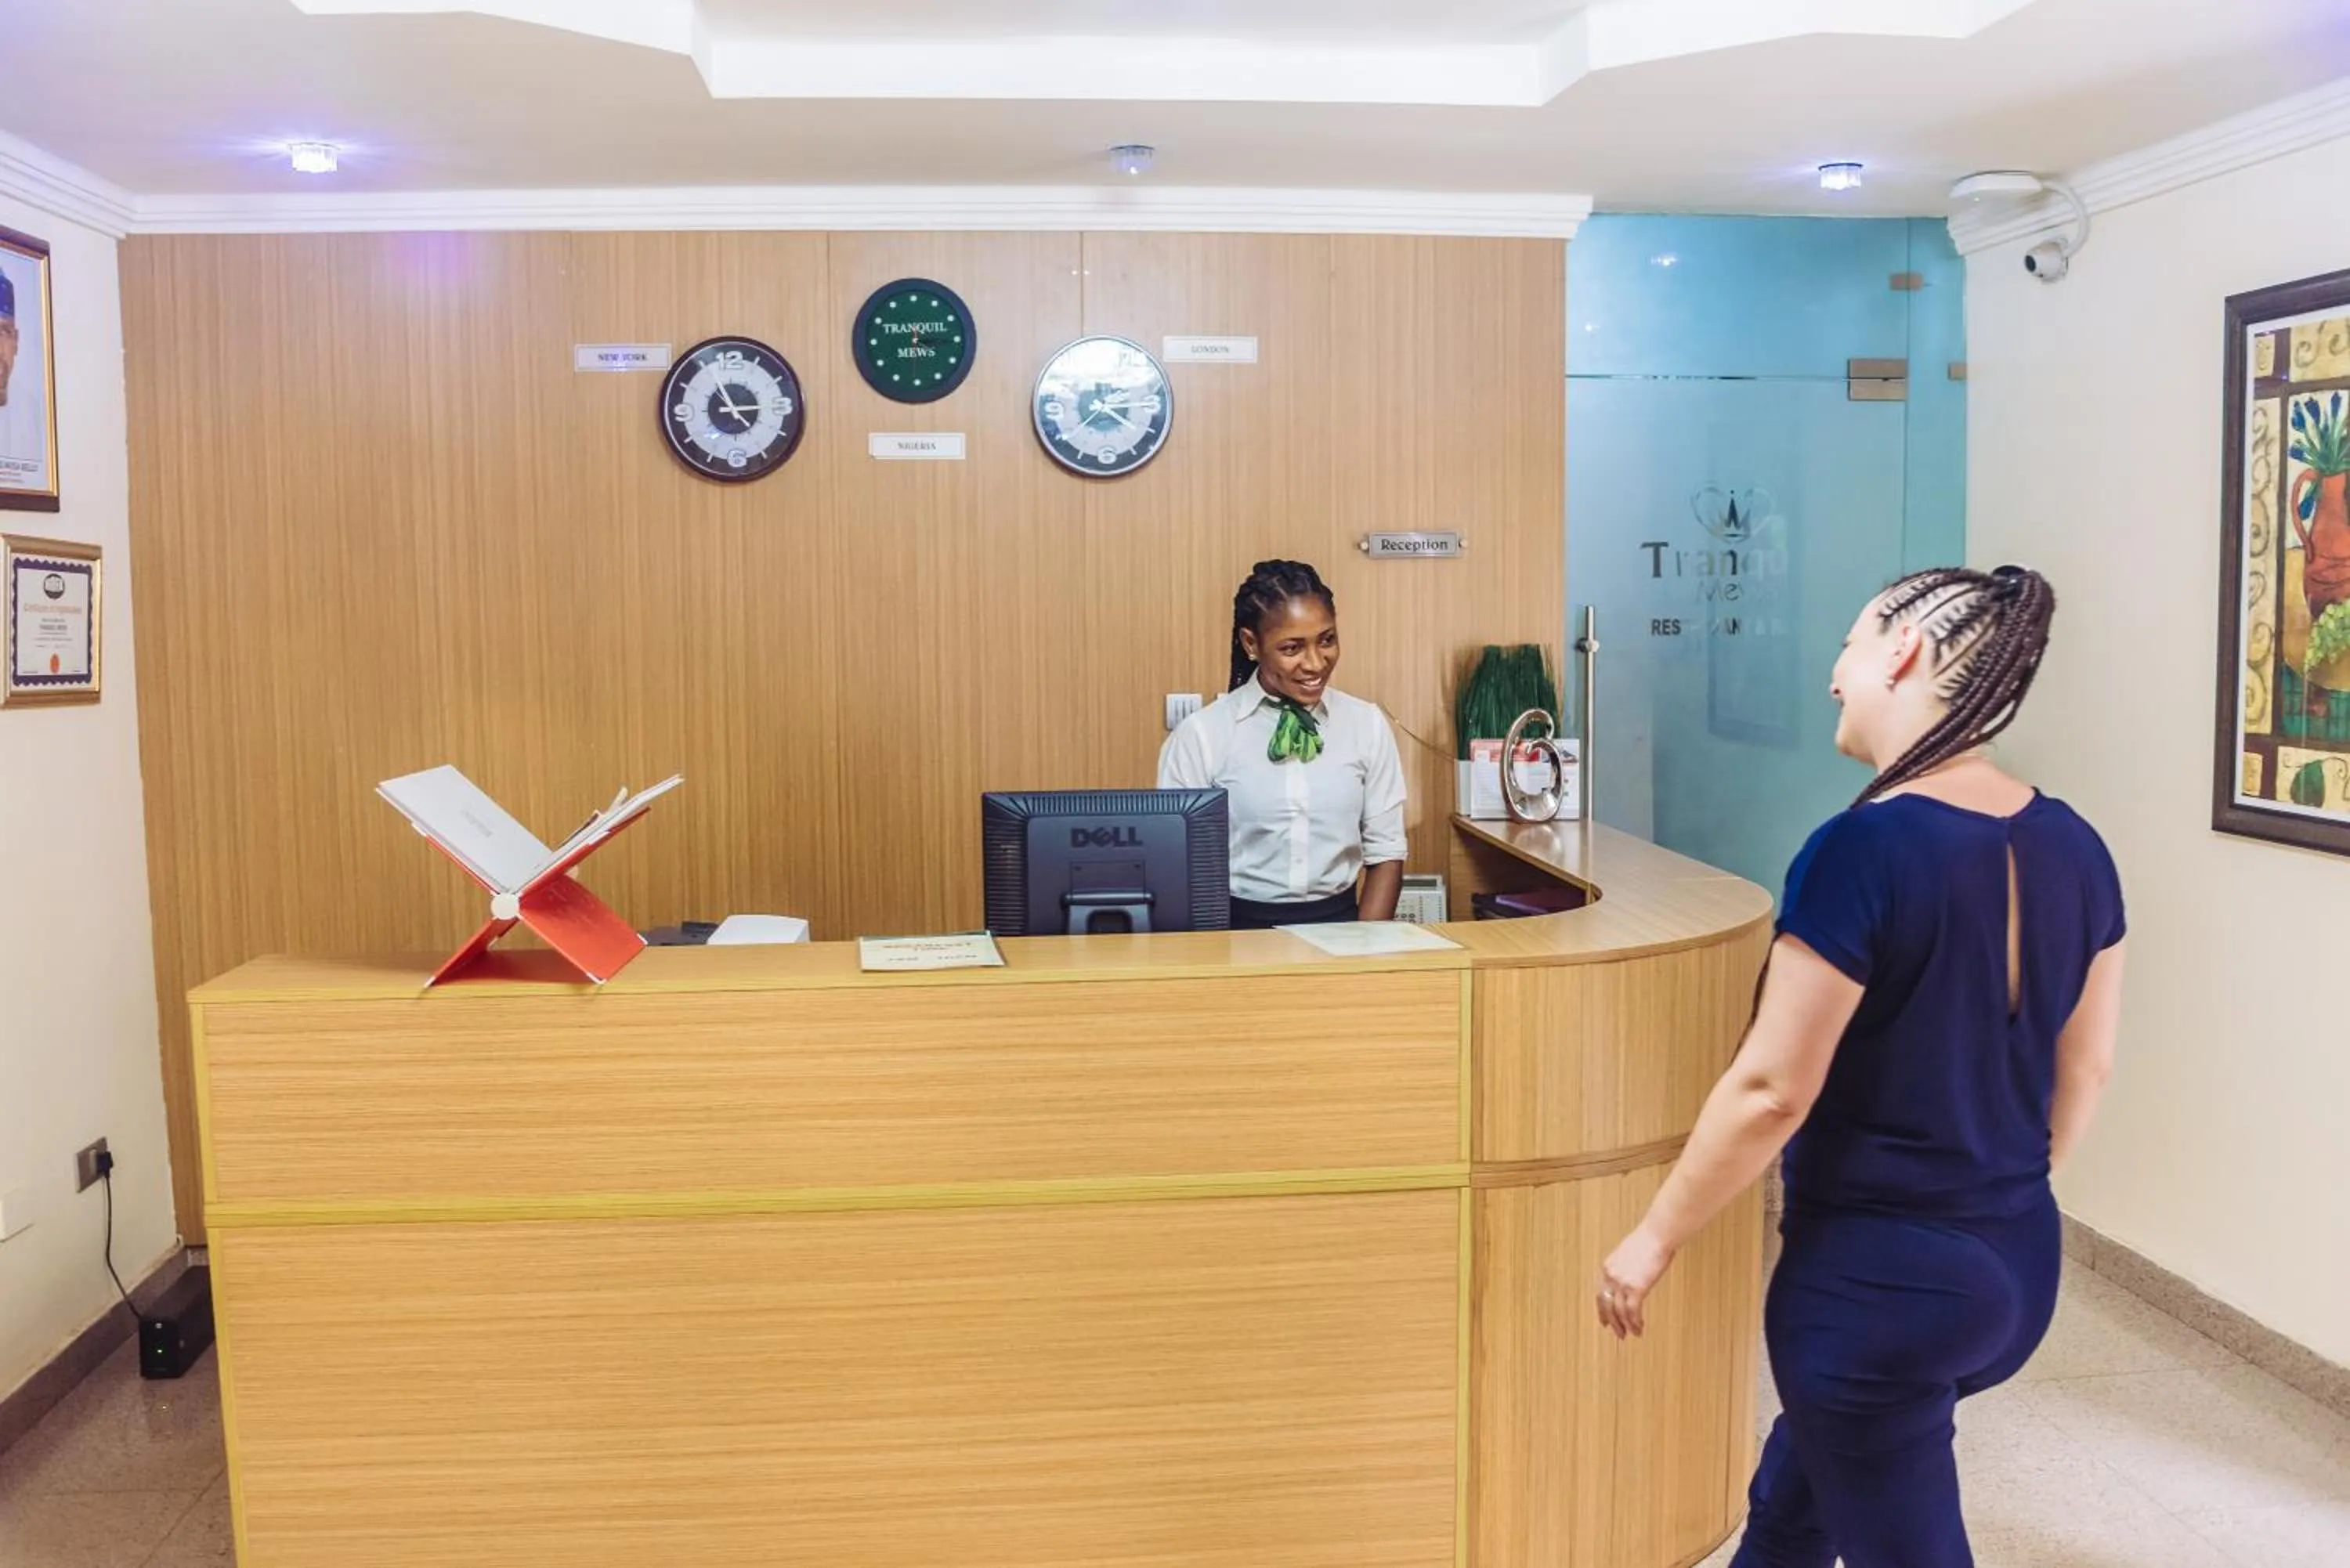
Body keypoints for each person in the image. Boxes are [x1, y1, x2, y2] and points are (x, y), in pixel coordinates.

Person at [1594, 565, 2126, 1568]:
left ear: (1903, 651)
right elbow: (2087, 1068)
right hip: (2015, 1267)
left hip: (1875, 1288)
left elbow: (1771, 1089)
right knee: (1798, 1500)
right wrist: (1986, 1200)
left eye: (1848, 645)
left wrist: (1653, 1239)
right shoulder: (2078, 847)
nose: (1834, 678)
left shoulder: (1860, 851)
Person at [1159, 559, 1408, 929]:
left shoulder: (1365, 724)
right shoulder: (1202, 735)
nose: (1315, 663)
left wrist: (1364, 949)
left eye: (1327, 640)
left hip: (1343, 930)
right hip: (1232, 935)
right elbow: (1177, 864)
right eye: (1292, 648)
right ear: (1251, 644)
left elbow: (1386, 853)